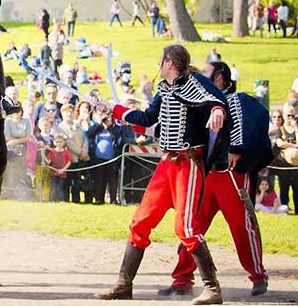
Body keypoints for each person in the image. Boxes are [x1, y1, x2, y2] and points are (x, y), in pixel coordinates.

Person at [99, 44, 229, 304]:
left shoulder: (194, 82)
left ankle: (212, 288)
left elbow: (216, 101)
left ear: (169, 62)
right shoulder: (164, 89)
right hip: (167, 163)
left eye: (161, 60)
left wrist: (216, 112)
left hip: (188, 163)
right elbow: (148, 118)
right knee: (140, 221)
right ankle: (124, 284)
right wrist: (115, 110)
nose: (159, 63)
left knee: (186, 227)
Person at [158, 61, 272, 297]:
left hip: (230, 173)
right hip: (204, 173)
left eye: (208, 74)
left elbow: (241, 127)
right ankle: (182, 279)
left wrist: (236, 149)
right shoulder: (201, 98)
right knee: (191, 225)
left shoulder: (235, 100)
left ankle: (258, 275)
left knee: (242, 226)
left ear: (220, 77)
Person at [87, 107, 122, 205]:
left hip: (112, 159)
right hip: (98, 158)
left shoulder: (115, 128)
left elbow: (119, 136)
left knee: (112, 181)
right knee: (99, 180)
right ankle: (99, 199)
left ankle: (113, 200)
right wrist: (99, 124)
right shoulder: (97, 127)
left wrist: (109, 126)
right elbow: (89, 134)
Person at [46, 134, 71, 202]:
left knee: (60, 187)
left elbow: (69, 162)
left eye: (60, 142)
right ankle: (52, 200)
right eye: (57, 142)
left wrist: (63, 169)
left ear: (63, 142)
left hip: (62, 174)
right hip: (53, 173)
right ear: (54, 142)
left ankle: (61, 200)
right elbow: (49, 162)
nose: (59, 144)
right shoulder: (52, 152)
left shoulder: (66, 152)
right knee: (53, 187)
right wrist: (43, 156)